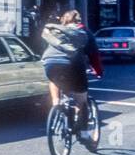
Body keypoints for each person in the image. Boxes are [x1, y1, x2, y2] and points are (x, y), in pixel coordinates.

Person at [40, 9, 103, 137]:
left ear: (63, 20)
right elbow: (94, 55)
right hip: (73, 64)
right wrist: (98, 72)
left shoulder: (56, 31)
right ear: (79, 20)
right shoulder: (84, 31)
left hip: (49, 62)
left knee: (54, 80)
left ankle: (56, 104)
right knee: (82, 100)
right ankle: (84, 133)